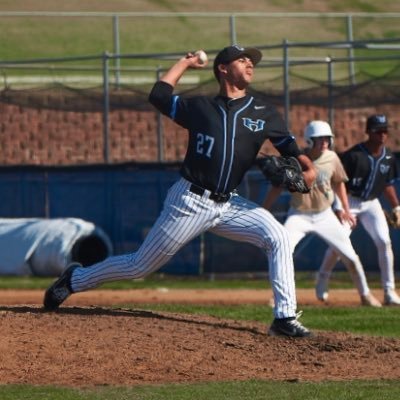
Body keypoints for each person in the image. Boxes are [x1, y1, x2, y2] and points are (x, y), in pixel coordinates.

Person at [43, 44, 316, 337]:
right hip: (190, 202)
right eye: (242, 59)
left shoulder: (264, 112)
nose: (250, 63)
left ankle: (284, 319)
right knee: (139, 267)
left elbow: (288, 146)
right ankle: (74, 279)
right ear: (223, 69)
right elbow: (158, 96)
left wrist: (307, 168)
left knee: (278, 237)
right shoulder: (200, 108)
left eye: (252, 60)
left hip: (230, 206)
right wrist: (184, 63)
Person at [263, 120, 382, 307]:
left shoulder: (332, 158)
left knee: (350, 257)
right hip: (299, 215)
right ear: (309, 141)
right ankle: (277, 296)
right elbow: (278, 186)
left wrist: (345, 209)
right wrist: (265, 209)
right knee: (283, 252)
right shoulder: (296, 160)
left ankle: (365, 295)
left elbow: (339, 182)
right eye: (319, 139)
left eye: (327, 138)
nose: (324, 142)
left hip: (325, 215)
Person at [316, 114, 400, 306]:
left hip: (371, 203)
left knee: (384, 242)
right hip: (350, 201)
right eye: (378, 130)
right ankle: (322, 278)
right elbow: (337, 183)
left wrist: (396, 206)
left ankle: (389, 291)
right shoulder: (354, 155)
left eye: (385, 130)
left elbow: (387, 183)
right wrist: (340, 208)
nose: (382, 134)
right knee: (339, 244)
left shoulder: (389, 157)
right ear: (368, 132)